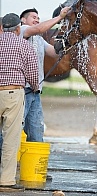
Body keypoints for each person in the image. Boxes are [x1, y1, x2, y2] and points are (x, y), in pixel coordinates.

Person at [0, 13, 39, 191]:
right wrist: (36, 86)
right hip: (13, 93)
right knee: (11, 137)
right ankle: (6, 181)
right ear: (17, 29)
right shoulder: (24, 45)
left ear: (1, 28)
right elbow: (32, 71)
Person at [19, 7, 70, 142]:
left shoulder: (39, 39)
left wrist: (67, 43)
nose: (37, 19)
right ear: (23, 20)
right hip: (22, 91)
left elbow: (53, 53)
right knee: (15, 130)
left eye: (38, 18)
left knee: (37, 130)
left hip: (35, 91)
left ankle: (31, 161)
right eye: (33, 17)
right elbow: (40, 29)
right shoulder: (22, 30)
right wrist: (60, 17)